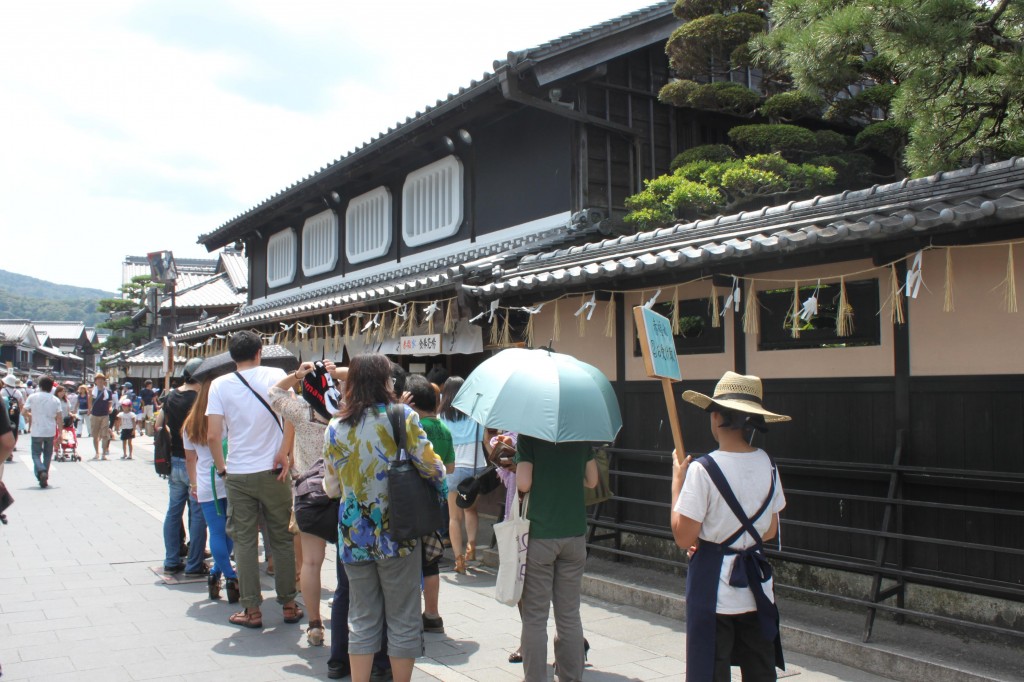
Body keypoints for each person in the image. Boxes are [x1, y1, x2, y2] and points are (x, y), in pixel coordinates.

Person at [323, 353, 445, 682]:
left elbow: (331, 486)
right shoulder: (401, 415)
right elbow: (432, 467)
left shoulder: (335, 425)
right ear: (385, 381)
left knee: (361, 616)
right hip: (398, 532)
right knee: (403, 616)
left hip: (352, 534)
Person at [671, 372, 789, 682]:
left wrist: (676, 486)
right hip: (756, 586)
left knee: (710, 670)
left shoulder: (701, 470)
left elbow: (684, 538)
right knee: (759, 671)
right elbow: (770, 530)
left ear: (717, 416)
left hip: (714, 584)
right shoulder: (768, 462)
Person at [206, 330, 300, 629]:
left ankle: (252, 610)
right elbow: (292, 416)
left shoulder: (219, 384)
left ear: (232, 355)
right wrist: (284, 453)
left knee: (245, 541)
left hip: (239, 472)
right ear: (260, 351)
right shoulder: (277, 374)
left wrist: (223, 470)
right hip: (275, 471)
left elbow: (212, 435)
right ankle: (288, 603)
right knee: (282, 538)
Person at [269, 359, 347, 647]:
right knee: (345, 562)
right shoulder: (345, 409)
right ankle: (345, 616)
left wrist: (296, 375)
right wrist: (334, 372)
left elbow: (273, 393)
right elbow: (380, 378)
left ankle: (315, 625)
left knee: (312, 563)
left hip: (308, 493)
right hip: (343, 491)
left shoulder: (299, 410)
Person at [516, 432, 598, 682]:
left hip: (541, 534)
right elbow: (593, 480)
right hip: (574, 534)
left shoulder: (529, 436)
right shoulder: (581, 436)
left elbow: (523, 483)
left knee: (535, 618)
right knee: (569, 615)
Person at [402, 373, 454, 635]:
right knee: (432, 560)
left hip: (411, 501)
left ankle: (409, 613)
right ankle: (432, 614)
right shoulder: (444, 428)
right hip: (437, 500)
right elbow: (450, 466)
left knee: (411, 558)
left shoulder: (412, 426)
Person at [182, 377, 239, 604]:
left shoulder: (190, 424)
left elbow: (189, 459)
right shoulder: (224, 420)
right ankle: (230, 575)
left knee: (216, 532)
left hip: (206, 483)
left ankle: (218, 572)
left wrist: (194, 483)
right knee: (231, 531)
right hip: (229, 477)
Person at [156, 358, 209, 576]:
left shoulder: (170, 396)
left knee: (173, 512)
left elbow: (159, 425)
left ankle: (171, 559)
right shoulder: (201, 400)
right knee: (198, 514)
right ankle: (195, 564)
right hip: (196, 463)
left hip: (175, 461)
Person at [438, 376, 488, 574]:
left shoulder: (441, 416)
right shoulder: (476, 413)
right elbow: (485, 440)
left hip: (452, 469)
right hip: (474, 469)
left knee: (453, 517)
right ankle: (472, 548)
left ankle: (459, 561)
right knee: (471, 510)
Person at [22, 375, 63, 489]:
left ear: (40, 386)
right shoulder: (55, 400)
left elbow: (23, 411)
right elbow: (59, 417)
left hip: (36, 429)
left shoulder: (33, 397)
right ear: (51, 388)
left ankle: (41, 471)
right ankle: (44, 475)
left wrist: (30, 415)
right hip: (50, 430)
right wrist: (60, 432)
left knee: (36, 454)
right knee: (48, 454)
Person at [87, 373, 114, 459]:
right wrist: (89, 409)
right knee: (95, 435)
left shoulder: (108, 391)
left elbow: (110, 402)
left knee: (105, 435)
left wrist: (110, 408)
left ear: (104, 381)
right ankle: (96, 452)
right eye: (98, 379)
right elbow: (90, 401)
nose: (100, 381)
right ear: (95, 381)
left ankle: (103, 453)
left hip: (105, 414)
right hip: (95, 414)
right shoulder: (92, 391)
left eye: (102, 379)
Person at [2, 375, 24, 455]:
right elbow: (21, 403)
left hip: (5, 413)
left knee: (5, 429)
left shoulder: (3, 391)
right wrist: (20, 413)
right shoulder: (17, 392)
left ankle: (6, 448)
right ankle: (13, 446)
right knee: (15, 429)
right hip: (15, 413)